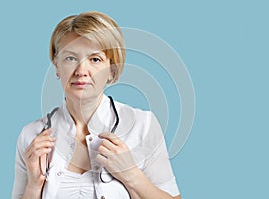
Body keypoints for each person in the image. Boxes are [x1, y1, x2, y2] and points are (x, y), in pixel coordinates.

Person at [12, 11, 181, 199]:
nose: (81, 71)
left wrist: (131, 175)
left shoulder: (143, 125)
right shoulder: (31, 136)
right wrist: (34, 187)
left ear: (112, 70)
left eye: (95, 59)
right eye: (70, 58)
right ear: (56, 65)